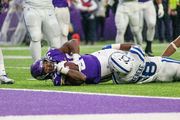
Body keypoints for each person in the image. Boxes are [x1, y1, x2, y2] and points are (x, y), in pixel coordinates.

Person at [30, 39, 134, 85]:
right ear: (44, 76)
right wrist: (62, 69)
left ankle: (139, 48)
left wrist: (76, 58)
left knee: (130, 49)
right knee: (131, 66)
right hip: (102, 71)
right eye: (45, 69)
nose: (48, 65)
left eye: (45, 63)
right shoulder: (58, 79)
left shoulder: (51, 55)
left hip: (96, 55)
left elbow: (73, 42)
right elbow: (81, 78)